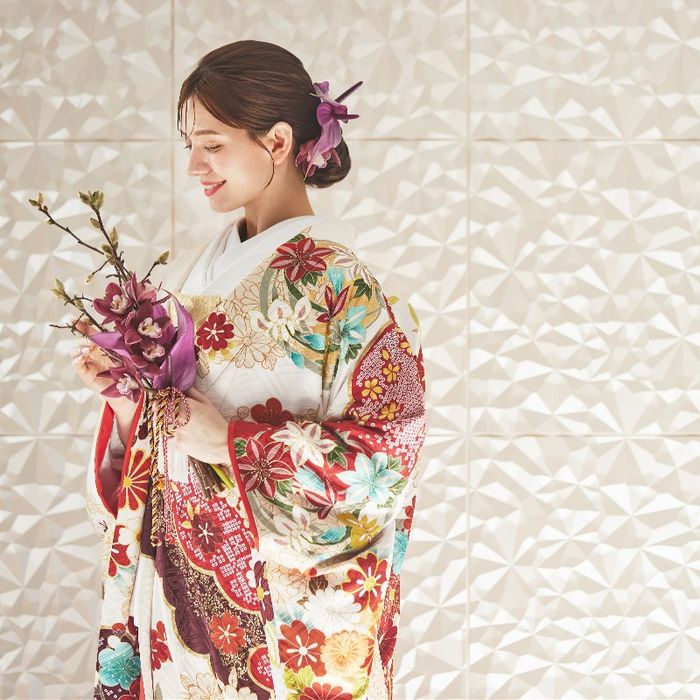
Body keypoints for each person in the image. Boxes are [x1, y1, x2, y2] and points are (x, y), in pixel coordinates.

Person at [73, 39, 427, 700]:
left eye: (212, 145)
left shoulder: (341, 286)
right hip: (181, 608)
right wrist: (128, 409)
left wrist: (231, 445)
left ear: (278, 141)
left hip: (278, 622)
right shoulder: (200, 272)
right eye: (190, 146)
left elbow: (388, 457)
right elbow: (169, 441)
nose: (194, 166)